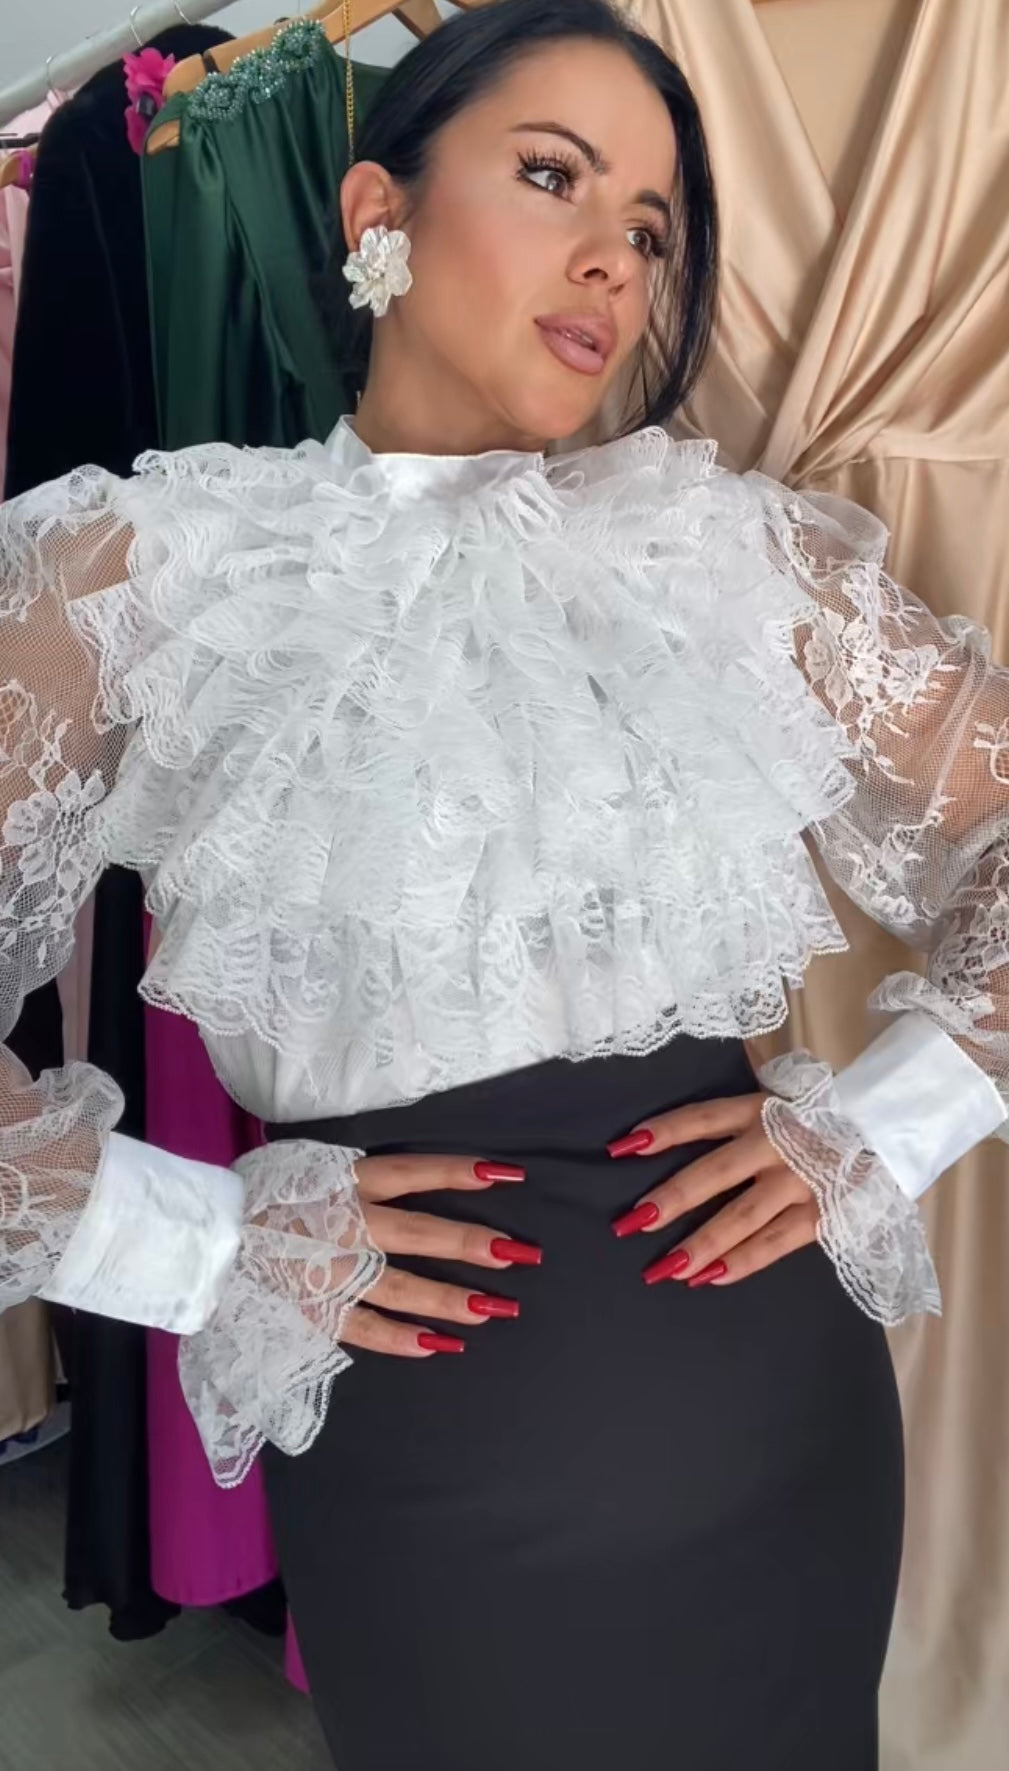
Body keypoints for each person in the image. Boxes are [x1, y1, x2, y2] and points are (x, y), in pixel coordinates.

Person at [1, 1, 1006, 1764]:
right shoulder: (150, 568)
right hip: (428, 1478)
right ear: (375, 212)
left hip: (781, 1436)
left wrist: (883, 1121)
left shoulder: (732, 557)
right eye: (553, 177)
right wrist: (195, 1242)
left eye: (650, 230)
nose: (610, 261)